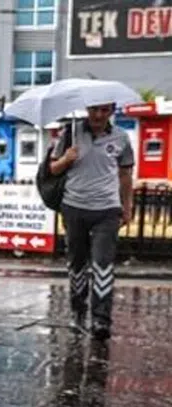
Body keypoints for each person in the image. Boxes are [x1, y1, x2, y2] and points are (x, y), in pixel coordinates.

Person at [49, 102, 135, 341]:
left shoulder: (121, 137)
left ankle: (101, 320)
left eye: (105, 110)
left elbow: (126, 174)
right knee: (77, 264)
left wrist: (127, 207)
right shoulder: (70, 132)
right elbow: (53, 169)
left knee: (102, 265)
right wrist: (66, 158)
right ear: (87, 110)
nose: (98, 115)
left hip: (107, 211)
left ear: (112, 112)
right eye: (94, 110)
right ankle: (78, 310)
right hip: (74, 208)